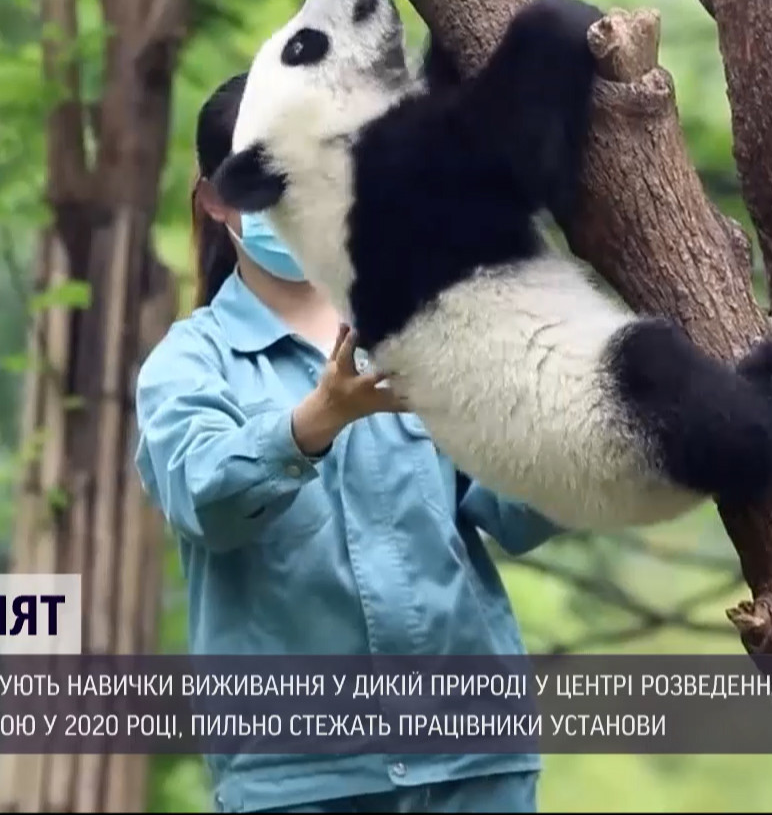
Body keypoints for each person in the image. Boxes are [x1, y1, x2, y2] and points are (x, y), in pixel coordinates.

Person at [133, 73, 566, 815]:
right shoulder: (190, 363)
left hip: (473, 764)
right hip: (300, 782)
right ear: (214, 199)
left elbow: (516, 514)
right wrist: (310, 427)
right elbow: (205, 499)